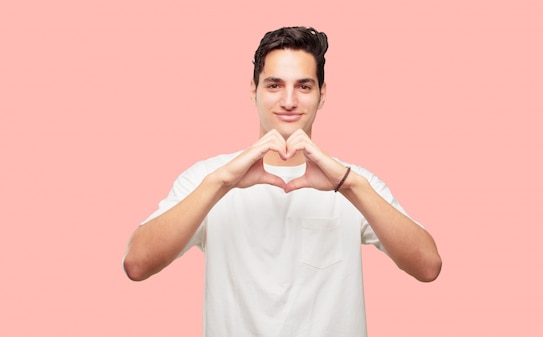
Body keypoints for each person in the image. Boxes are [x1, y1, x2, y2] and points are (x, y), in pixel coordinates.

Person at [123, 26, 441, 336]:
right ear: (253, 90)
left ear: (322, 93)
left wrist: (348, 186)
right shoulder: (210, 177)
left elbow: (428, 267)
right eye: (274, 85)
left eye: (303, 86)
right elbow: (137, 264)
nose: (289, 101)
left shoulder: (353, 182)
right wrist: (221, 183)